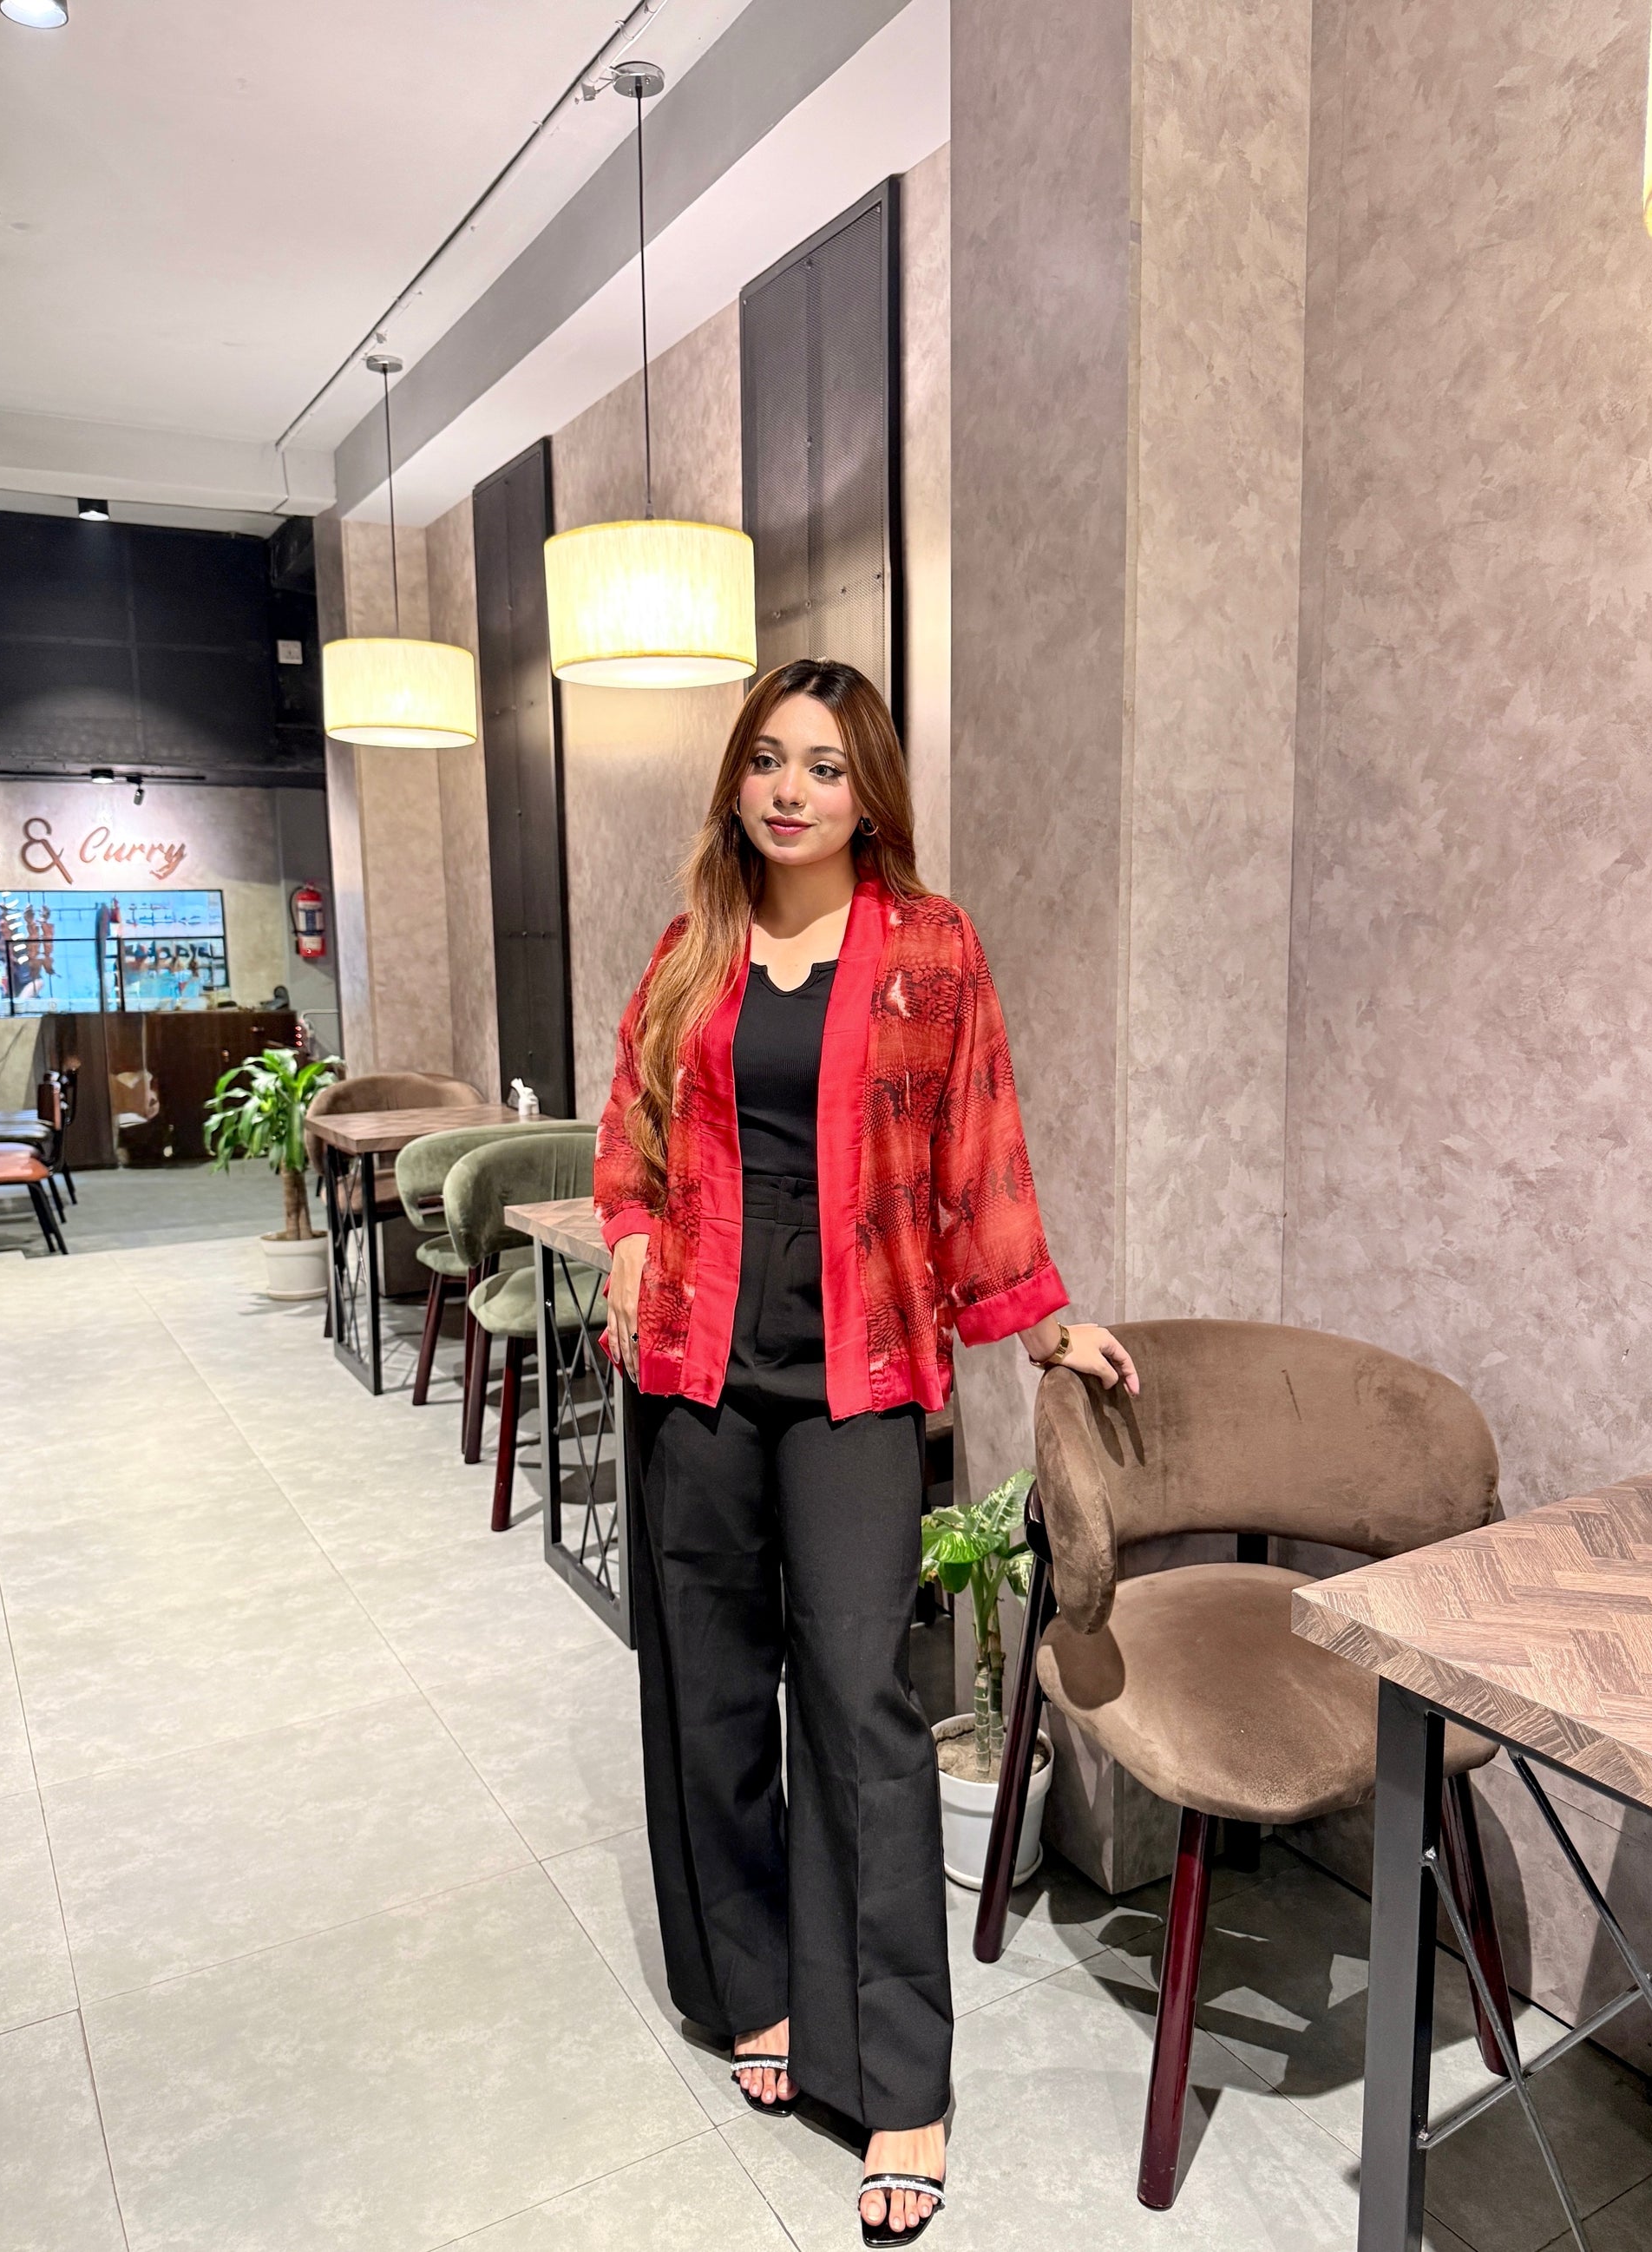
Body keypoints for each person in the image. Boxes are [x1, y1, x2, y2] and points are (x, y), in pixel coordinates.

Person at [593, 657, 1139, 2245]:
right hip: (695, 1365)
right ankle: (751, 1982)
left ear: (867, 791)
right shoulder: (693, 944)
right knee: (704, 1688)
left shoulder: (929, 950)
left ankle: (900, 2080)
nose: (788, 792)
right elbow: (626, 1134)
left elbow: (979, 1146)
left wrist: (1038, 1320)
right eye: (766, 761)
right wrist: (626, 1234)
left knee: (860, 1707)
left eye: (823, 768)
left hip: (853, 1373)